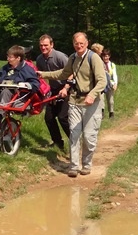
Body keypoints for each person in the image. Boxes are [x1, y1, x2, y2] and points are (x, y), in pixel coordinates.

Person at [38, 32, 107, 178]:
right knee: (74, 135)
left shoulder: (93, 58)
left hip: (92, 103)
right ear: (73, 44)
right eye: (76, 43)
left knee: (89, 137)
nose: (79, 46)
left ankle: (87, 164)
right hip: (75, 101)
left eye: (81, 43)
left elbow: (102, 81)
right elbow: (63, 74)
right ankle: (74, 166)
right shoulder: (73, 57)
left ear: (87, 43)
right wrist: (43, 74)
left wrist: (92, 95)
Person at [0, 45, 40, 128]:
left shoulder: (27, 69)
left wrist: (25, 85)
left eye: (10, 57)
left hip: (17, 97)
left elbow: (36, 84)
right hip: (1, 95)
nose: (7, 59)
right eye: (7, 56)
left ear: (18, 58)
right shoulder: (4, 68)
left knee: (6, 91)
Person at [36, 35, 70, 151]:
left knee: (62, 117)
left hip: (67, 88)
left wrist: (66, 88)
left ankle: (75, 141)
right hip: (53, 90)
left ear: (52, 45)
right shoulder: (40, 59)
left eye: (46, 45)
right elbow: (41, 78)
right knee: (49, 118)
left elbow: (72, 73)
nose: (43, 48)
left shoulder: (60, 57)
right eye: (41, 45)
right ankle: (57, 143)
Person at [101, 48, 118, 118]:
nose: (106, 57)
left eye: (107, 56)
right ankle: (101, 113)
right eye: (104, 56)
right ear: (102, 57)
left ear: (109, 56)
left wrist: (115, 83)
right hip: (101, 84)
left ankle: (111, 113)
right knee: (101, 100)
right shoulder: (100, 63)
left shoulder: (112, 65)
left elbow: (114, 75)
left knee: (110, 100)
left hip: (110, 84)